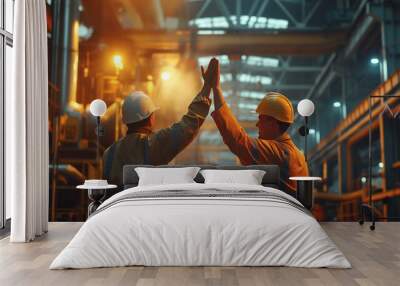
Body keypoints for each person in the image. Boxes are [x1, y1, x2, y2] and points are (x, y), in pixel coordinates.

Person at [103, 58, 219, 186]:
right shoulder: (153, 145)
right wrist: (207, 87)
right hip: (145, 205)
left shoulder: (109, 153)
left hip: (118, 206)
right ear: (151, 118)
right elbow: (188, 126)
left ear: (125, 120)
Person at [208, 59, 308, 194]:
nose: (256, 124)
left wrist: (217, 89)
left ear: (272, 122)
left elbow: (238, 141)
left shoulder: (279, 152)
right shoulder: (297, 154)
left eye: (260, 119)